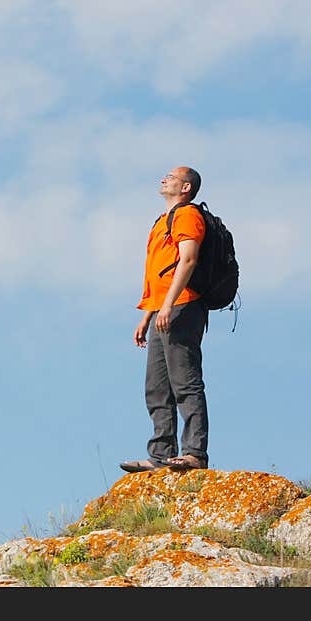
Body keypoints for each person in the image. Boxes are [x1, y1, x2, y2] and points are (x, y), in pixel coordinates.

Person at [120, 166, 209, 473]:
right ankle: (161, 455)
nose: (164, 178)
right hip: (163, 309)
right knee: (157, 387)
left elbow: (188, 259)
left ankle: (194, 453)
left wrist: (169, 305)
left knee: (185, 382)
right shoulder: (162, 221)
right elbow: (162, 272)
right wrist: (148, 315)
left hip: (182, 307)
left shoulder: (187, 216)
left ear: (186, 188)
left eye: (172, 176)